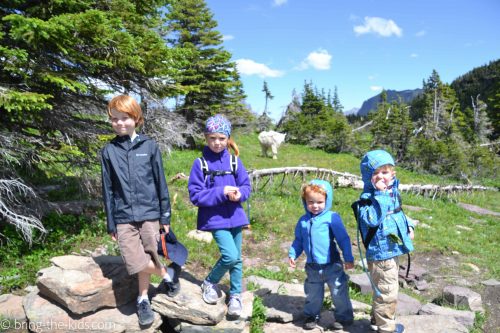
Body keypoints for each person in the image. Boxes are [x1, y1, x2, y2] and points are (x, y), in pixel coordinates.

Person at [101, 95, 180, 326]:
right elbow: (107, 189)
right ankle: (167, 275)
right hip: (123, 215)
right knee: (132, 260)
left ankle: (143, 298)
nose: (119, 123)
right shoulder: (108, 151)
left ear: (136, 119)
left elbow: (160, 182)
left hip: (150, 213)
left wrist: (165, 215)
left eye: (124, 118)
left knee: (149, 254)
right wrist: (111, 221)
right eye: (114, 119)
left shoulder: (149, 146)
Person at [188, 114, 251, 318]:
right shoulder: (200, 164)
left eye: (222, 138)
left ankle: (235, 295)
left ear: (228, 139)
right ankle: (209, 282)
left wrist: (240, 194)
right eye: (213, 138)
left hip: (236, 216)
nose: (217, 143)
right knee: (230, 256)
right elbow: (195, 195)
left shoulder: (234, 161)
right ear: (206, 138)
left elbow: (246, 185)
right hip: (215, 219)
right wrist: (222, 191)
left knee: (238, 259)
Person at [357, 150, 415, 333]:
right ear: (368, 178)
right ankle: (386, 329)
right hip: (381, 253)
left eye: (385, 172)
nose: (381, 177)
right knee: (387, 292)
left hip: (392, 249)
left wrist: (409, 226)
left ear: (392, 174)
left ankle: (377, 319)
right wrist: (380, 195)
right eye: (375, 173)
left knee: (383, 287)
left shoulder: (392, 193)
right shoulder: (367, 200)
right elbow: (373, 220)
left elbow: (398, 213)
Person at [288, 180, 354, 331]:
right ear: (305, 201)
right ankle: (311, 316)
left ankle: (344, 318)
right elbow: (299, 240)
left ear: (327, 200)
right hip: (312, 267)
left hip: (332, 265)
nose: (315, 206)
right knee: (313, 294)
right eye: (311, 202)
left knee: (338, 292)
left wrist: (348, 258)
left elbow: (343, 238)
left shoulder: (332, 217)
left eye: (320, 202)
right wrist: (293, 254)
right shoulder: (303, 221)